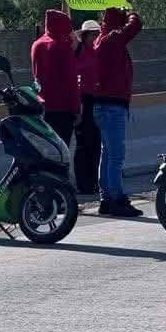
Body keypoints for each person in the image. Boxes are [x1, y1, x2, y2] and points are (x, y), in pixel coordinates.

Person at [93, 6, 143, 217]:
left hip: (104, 104)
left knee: (107, 153)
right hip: (113, 104)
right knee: (116, 155)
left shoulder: (100, 40)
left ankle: (106, 197)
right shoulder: (112, 39)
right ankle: (117, 198)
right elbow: (136, 26)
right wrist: (132, 12)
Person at [30, 2, 81, 147]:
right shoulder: (62, 46)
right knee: (60, 152)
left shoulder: (37, 45)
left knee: (46, 150)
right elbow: (71, 79)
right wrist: (77, 110)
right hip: (62, 109)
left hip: (42, 107)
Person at [74, 19, 102, 199]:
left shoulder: (98, 50)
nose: (95, 36)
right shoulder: (78, 51)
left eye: (97, 33)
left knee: (95, 143)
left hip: (97, 98)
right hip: (83, 99)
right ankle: (83, 183)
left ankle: (93, 182)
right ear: (84, 36)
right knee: (84, 143)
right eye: (92, 33)